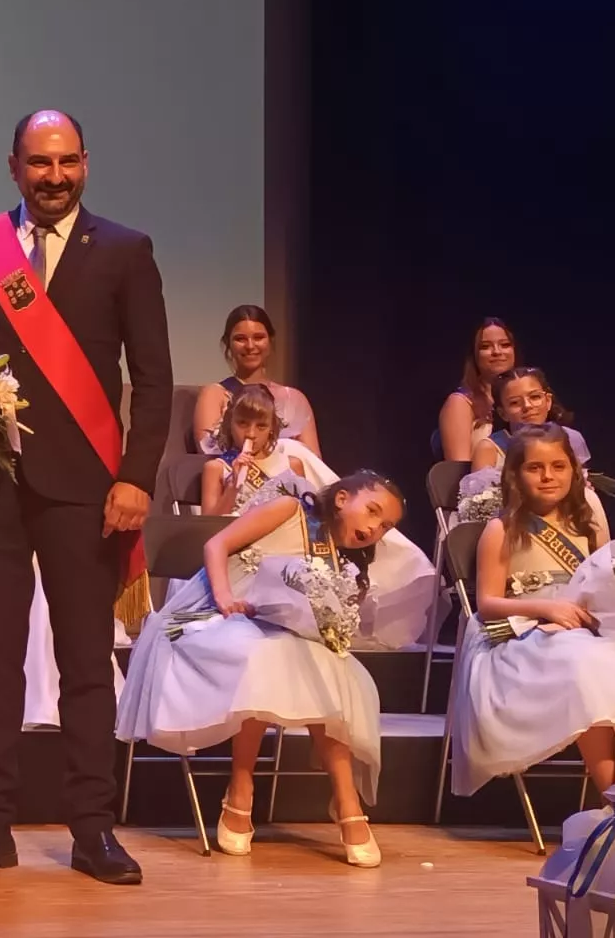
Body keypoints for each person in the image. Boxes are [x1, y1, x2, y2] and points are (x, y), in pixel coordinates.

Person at [0, 109, 172, 884]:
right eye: (40, 163)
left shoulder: (127, 251)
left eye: (67, 161)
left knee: (84, 666)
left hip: (88, 493)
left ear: (86, 163)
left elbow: (154, 379)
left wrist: (136, 476)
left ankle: (93, 830)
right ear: (14, 167)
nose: (55, 176)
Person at [116, 470, 406, 867]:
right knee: (268, 656)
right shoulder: (290, 509)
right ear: (342, 499)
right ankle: (242, 784)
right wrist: (225, 598)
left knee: (332, 666)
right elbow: (217, 544)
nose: (374, 528)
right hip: (211, 617)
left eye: (385, 526)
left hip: (275, 637)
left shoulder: (341, 562)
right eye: (372, 511)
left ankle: (346, 799)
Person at [449, 424, 615, 797]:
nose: (548, 476)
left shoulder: (588, 526)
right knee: (585, 668)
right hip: (524, 637)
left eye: (558, 466)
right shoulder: (502, 529)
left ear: (573, 470)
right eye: (535, 468)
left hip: (584, 631)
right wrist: (546, 607)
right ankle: (613, 796)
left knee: (600, 661)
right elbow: (487, 604)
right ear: (515, 474)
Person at [192, 306, 320, 456]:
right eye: (240, 339)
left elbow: (313, 460)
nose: (250, 346)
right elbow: (208, 452)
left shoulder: (294, 399)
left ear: (270, 341)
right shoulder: (215, 394)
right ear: (228, 344)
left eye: (258, 337)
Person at [200, 384, 310, 515]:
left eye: (261, 426)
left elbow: (304, 518)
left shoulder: (292, 466)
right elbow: (209, 524)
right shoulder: (216, 468)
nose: (251, 434)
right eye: (242, 423)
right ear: (230, 423)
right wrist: (232, 486)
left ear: (272, 427)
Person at [471, 367, 591, 470]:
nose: (527, 406)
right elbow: (480, 490)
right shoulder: (490, 449)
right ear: (503, 413)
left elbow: (580, 483)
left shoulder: (570, 438)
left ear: (548, 401)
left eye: (535, 397)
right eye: (514, 403)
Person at [437, 318, 517, 461]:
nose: (497, 352)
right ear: (474, 355)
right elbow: (457, 469)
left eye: (504, 345)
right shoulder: (461, 403)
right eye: (486, 347)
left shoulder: (527, 400)